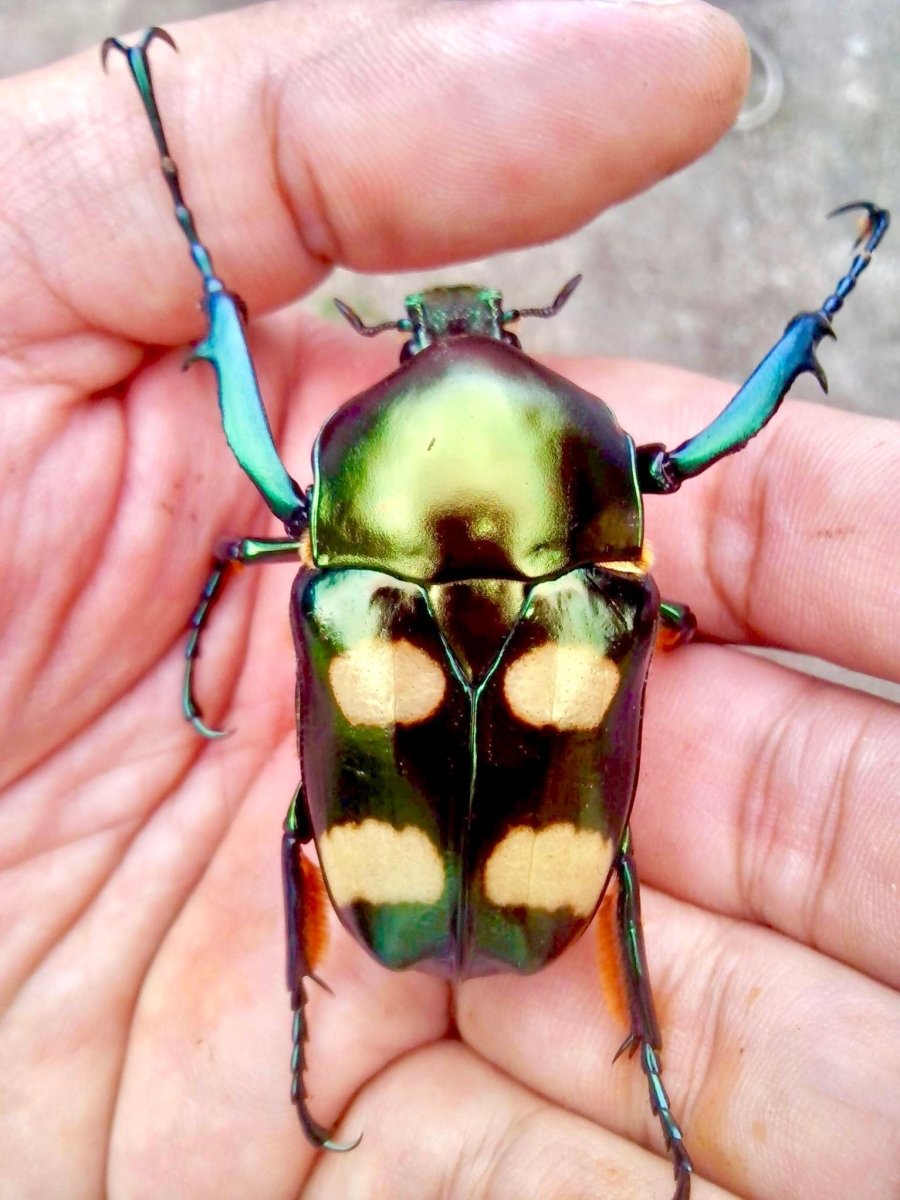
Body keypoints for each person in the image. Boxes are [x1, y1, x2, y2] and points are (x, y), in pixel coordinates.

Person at [0, 3, 896, 1197]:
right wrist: (809, 322)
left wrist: (219, 294)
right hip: (527, 894)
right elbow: (704, 452)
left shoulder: (322, 565)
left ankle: (312, 1019)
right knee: (610, 855)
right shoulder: (615, 589)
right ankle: (645, 1068)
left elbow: (255, 455)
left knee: (306, 829)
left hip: (410, 891)